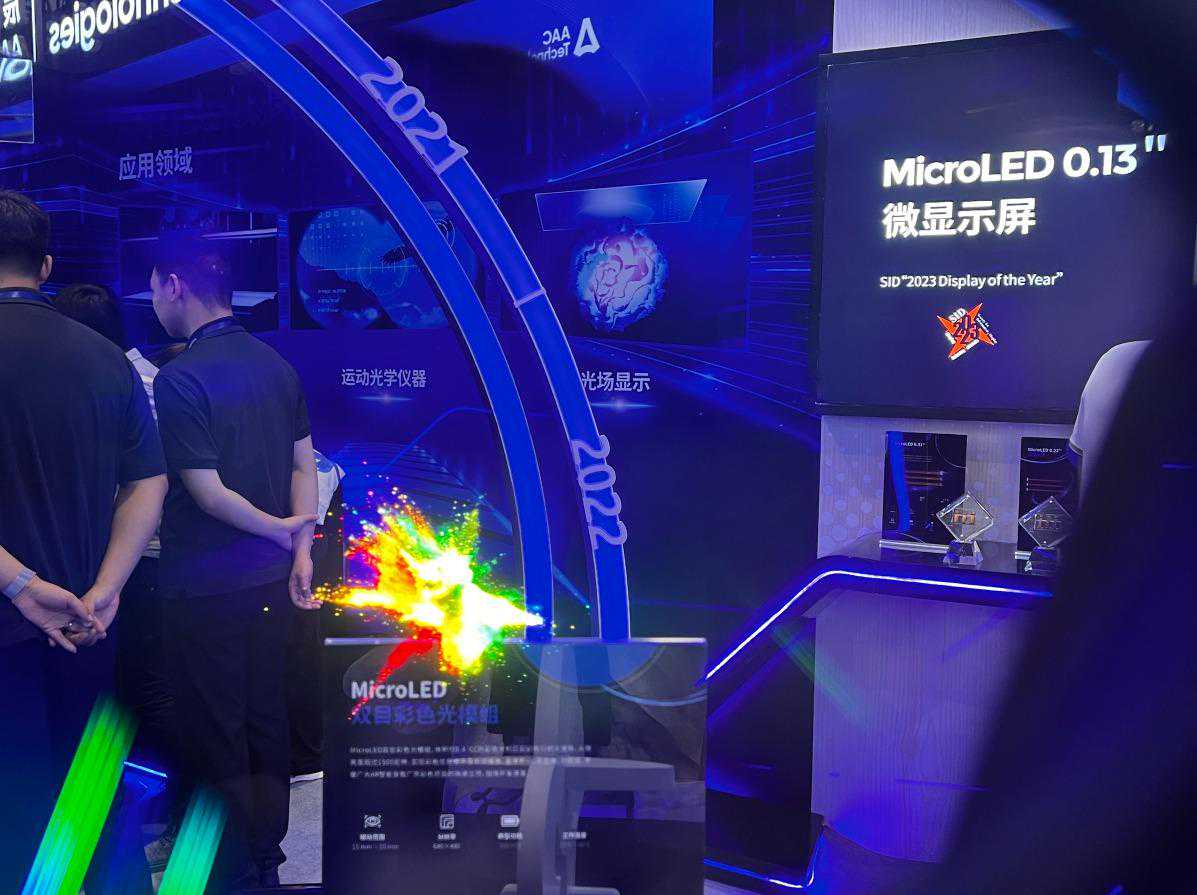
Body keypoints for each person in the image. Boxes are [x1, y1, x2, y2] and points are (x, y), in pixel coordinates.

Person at [0, 191, 168, 890]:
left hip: (10, 628)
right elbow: (148, 481)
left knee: (13, 814)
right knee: (92, 803)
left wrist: (20, 585)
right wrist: (106, 587)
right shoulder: (107, 359)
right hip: (89, 626)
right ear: (45, 266)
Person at [148, 234, 318, 890]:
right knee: (265, 712)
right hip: (269, 580)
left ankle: (233, 865)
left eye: (155, 287)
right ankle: (266, 855)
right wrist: (297, 546)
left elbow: (205, 490)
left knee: (214, 724)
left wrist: (283, 531)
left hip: (203, 587)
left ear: (174, 285)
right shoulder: (277, 364)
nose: (155, 300)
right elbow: (304, 465)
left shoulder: (179, 377)